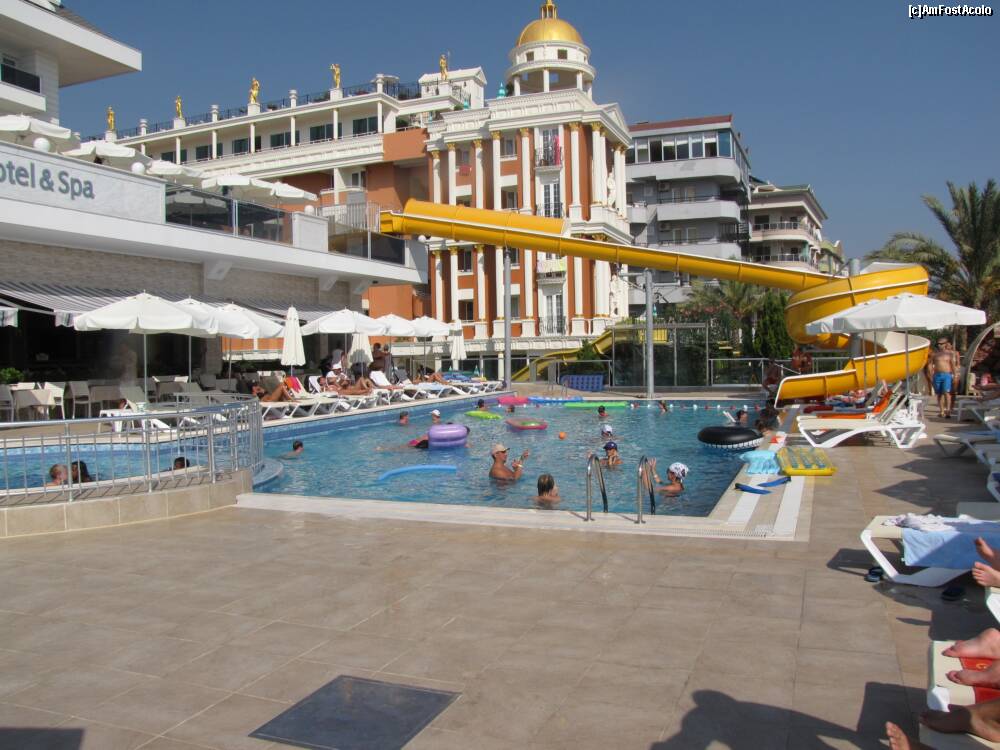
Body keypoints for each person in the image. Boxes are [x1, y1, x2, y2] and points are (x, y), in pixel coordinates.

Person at [929, 337, 961, 418]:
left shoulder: (950, 354)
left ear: (945, 344)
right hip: (937, 375)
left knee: (947, 392)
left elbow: (953, 365)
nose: (939, 345)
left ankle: (948, 411)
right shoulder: (934, 354)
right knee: (939, 394)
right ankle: (942, 411)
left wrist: (955, 375)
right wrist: (931, 375)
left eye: (941, 344)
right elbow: (930, 364)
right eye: (938, 344)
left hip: (947, 375)